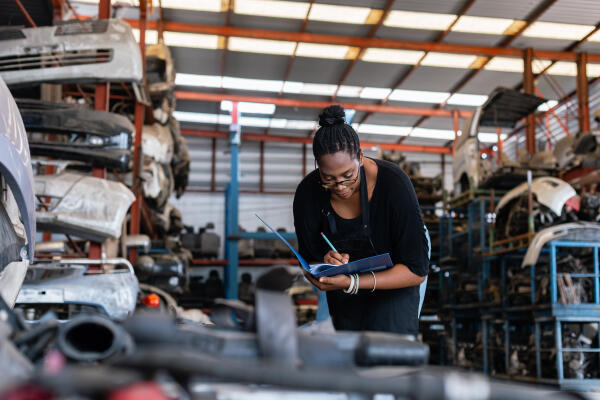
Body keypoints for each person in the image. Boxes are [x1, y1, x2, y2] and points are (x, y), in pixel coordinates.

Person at [293, 105, 429, 335]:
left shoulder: (394, 184)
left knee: (389, 343)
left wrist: (353, 282)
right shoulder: (308, 194)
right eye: (329, 179)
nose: (340, 187)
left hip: (398, 272)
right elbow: (308, 261)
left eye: (348, 176)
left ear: (361, 157)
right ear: (318, 167)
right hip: (343, 282)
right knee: (345, 344)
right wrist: (324, 264)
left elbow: (416, 269)